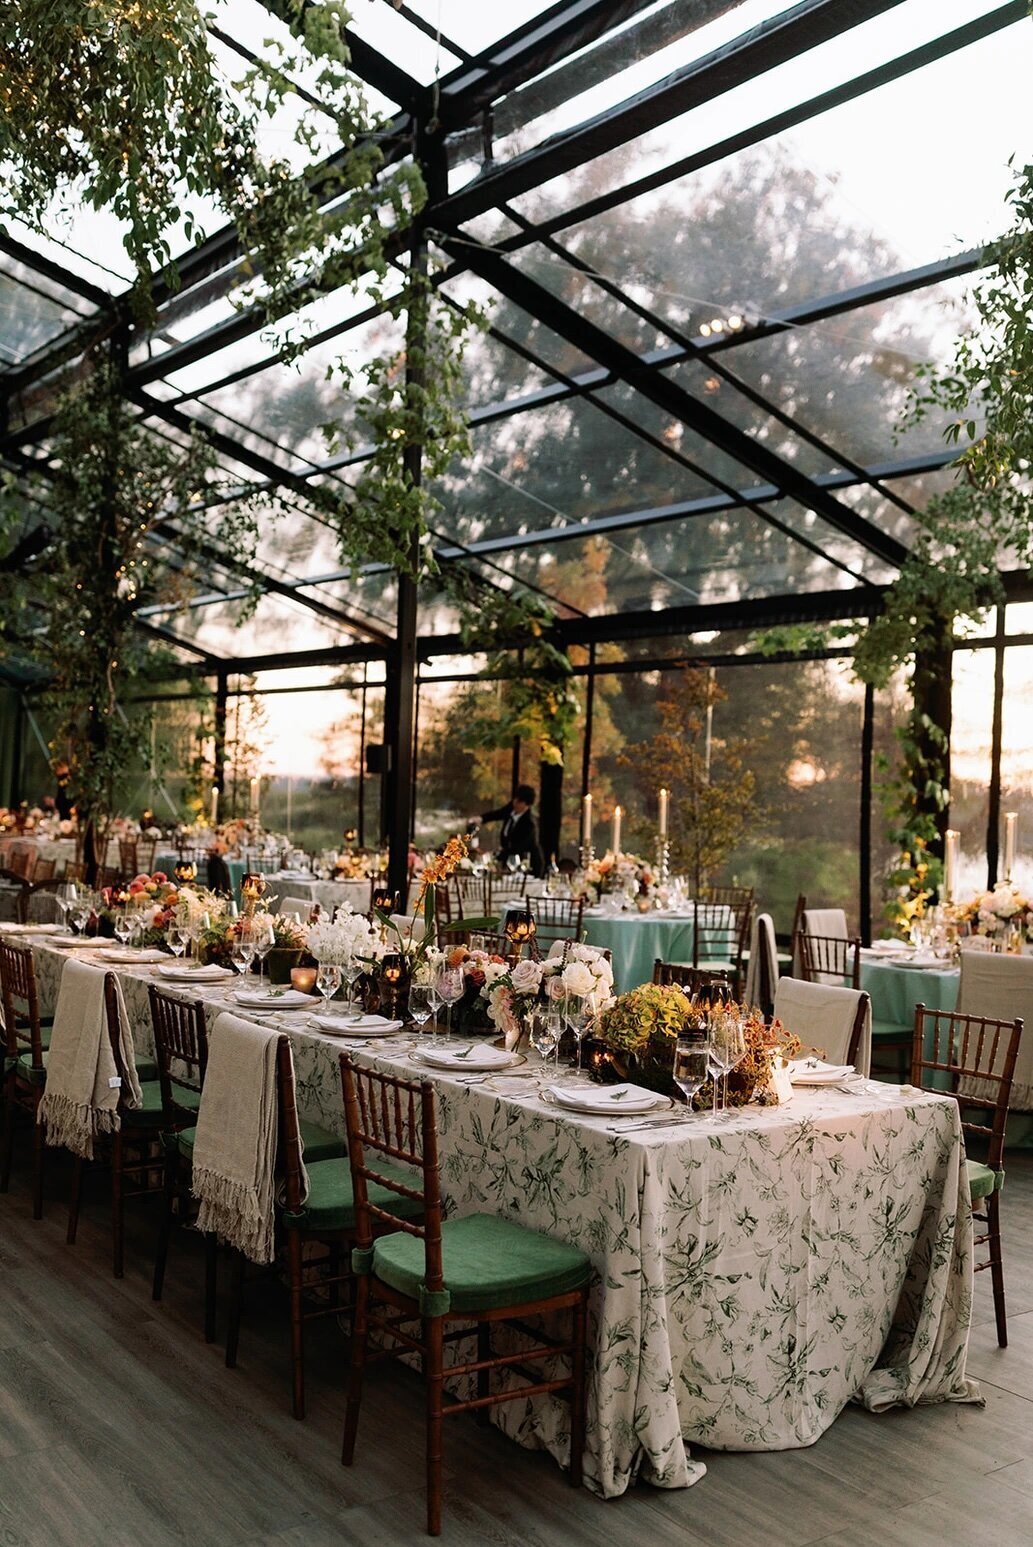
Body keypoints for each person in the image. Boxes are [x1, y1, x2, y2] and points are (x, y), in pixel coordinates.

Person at [477, 784, 543, 875]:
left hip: (527, 864)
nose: (515, 803)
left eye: (519, 801)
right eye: (515, 799)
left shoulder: (529, 824)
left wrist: (495, 856)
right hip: (510, 862)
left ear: (526, 804)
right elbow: (497, 814)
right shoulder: (511, 810)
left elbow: (517, 847)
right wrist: (481, 819)